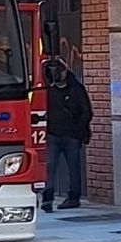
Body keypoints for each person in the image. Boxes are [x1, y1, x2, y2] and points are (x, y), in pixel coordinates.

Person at [41, 58, 92, 212]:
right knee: (50, 167)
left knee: (74, 168)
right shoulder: (49, 91)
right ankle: (47, 198)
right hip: (53, 135)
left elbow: (86, 111)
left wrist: (77, 131)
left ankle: (73, 198)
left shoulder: (76, 89)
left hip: (71, 136)